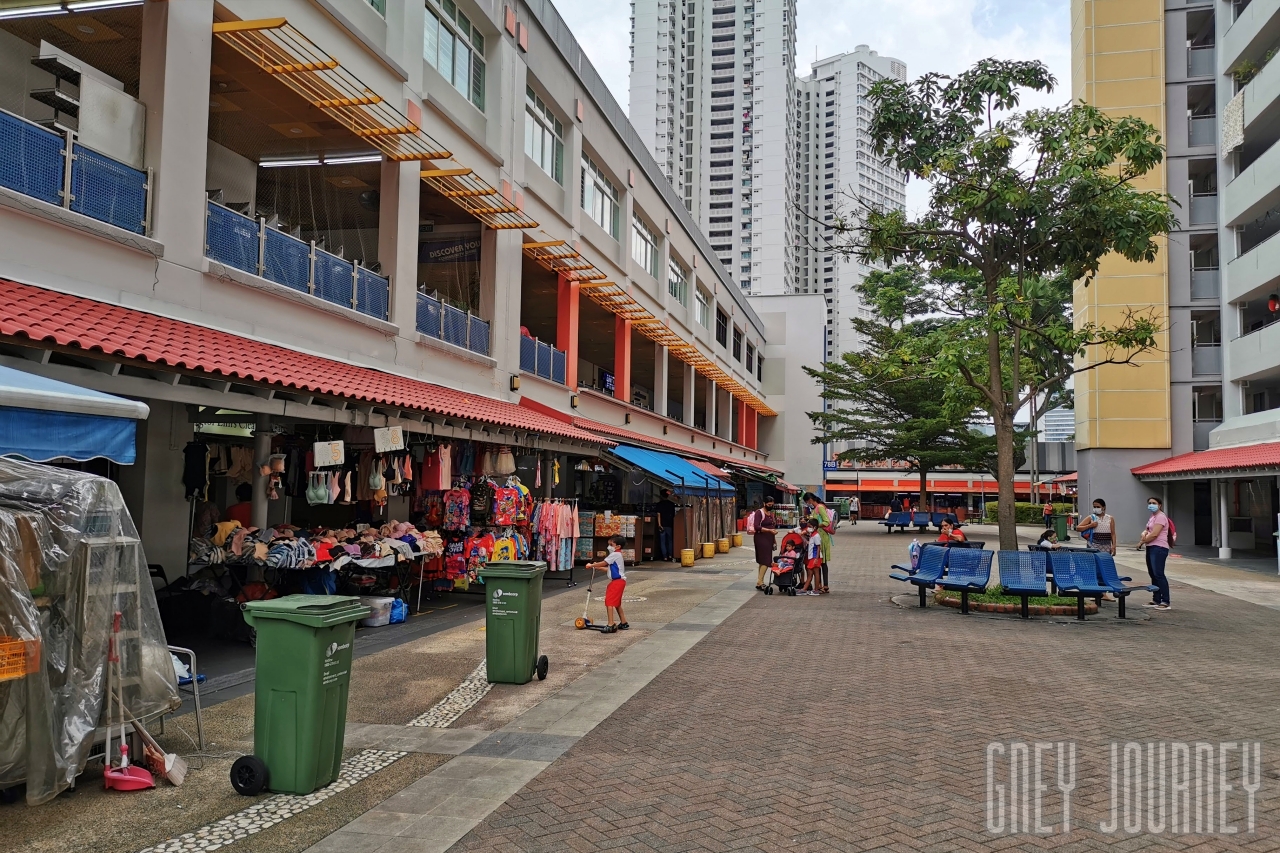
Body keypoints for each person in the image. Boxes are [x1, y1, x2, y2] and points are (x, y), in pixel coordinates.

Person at [585, 535, 629, 631]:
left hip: (617, 582)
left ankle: (610, 624)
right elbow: (609, 569)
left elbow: (604, 563)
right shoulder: (617, 555)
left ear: (618, 546)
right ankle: (624, 622)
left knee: (609, 602)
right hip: (619, 581)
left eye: (611, 544)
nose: (609, 546)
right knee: (617, 603)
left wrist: (592, 565)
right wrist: (597, 567)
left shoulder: (615, 555)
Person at [1139, 497, 1171, 611]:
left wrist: (1142, 541)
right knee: (1153, 573)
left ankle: (1165, 600)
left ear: (1160, 505)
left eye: (1154, 503)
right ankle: (1156, 599)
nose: (1151, 505)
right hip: (1151, 547)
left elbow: (1154, 534)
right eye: (1149, 503)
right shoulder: (1152, 517)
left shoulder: (1161, 517)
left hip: (1159, 547)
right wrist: (1144, 535)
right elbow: (1148, 530)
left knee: (1159, 574)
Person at [803, 492, 833, 594]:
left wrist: (816, 526)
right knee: (819, 562)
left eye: (807, 502)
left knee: (823, 562)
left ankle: (825, 585)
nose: (807, 504)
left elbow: (827, 521)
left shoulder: (820, 507)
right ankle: (819, 585)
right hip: (816, 536)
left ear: (810, 500)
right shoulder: (815, 509)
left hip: (821, 537)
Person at [748, 497, 779, 590]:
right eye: (769, 505)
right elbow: (756, 526)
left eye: (772, 505)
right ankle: (760, 582)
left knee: (763, 560)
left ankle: (759, 581)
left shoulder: (771, 514)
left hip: (769, 538)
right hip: (761, 538)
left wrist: (774, 539)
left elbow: (772, 526)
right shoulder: (759, 512)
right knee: (766, 560)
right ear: (764, 503)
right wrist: (769, 530)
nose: (770, 506)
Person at [799, 520, 823, 595]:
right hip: (812, 557)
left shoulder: (816, 536)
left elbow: (818, 547)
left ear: (814, 527)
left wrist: (816, 558)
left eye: (810, 526)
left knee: (813, 572)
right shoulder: (812, 535)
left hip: (815, 557)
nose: (808, 528)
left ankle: (814, 589)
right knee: (812, 573)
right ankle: (807, 589)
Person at [655, 489, 677, 562]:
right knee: (670, 541)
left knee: (663, 541)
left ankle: (665, 556)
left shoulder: (659, 504)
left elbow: (658, 515)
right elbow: (674, 515)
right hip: (670, 525)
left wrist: (659, 524)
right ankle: (670, 555)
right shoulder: (671, 504)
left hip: (662, 525)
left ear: (661, 496)